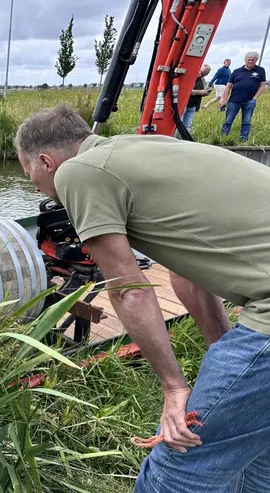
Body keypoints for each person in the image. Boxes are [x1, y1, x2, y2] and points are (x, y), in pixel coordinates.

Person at [14, 104, 270, 492]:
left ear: (46, 161)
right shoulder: (145, 149)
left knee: (180, 460)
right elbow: (187, 270)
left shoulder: (76, 173)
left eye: (27, 171)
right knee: (255, 447)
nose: (32, 183)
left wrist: (174, 386)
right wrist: (225, 351)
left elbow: (130, 291)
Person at [220, 51, 266, 142]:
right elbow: (228, 86)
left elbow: (262, 85)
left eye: (252, 60)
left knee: (246, 121)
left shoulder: (260, 70)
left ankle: (243, 139)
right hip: (234, 100)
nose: (250, 62)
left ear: (256, 60)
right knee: (228, 120)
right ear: (245, 60)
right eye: (248, 60)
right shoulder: (237, 71)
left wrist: (254, 98)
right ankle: (223, 138)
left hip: (249, 101)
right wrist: (224, 99)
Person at [177, 64, 212, 135]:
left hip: (193, 105)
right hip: (184, 104)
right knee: (178, 124)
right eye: (202, 73)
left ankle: (186, 140)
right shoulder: (189, 76)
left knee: (187, 125)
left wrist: (205, 93)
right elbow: (185, 90)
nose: (202, 75)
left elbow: (203, 90)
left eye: (205, 75)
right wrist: (200, 92)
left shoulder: (202, 80)